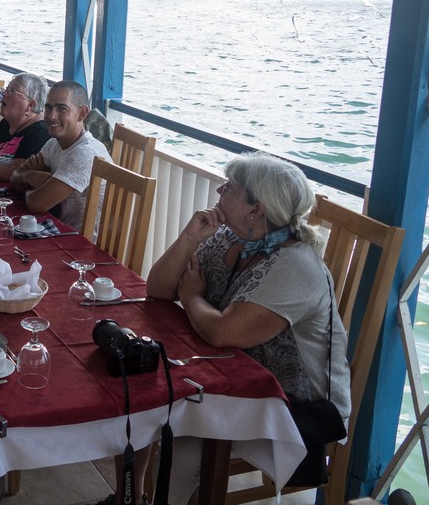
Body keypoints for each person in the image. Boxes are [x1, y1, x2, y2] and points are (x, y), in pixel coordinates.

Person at [146, 152, 351, 503]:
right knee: (149, 404)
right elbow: (159, 290)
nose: (219, 190)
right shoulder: (231, 236)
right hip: (232, 377)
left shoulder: (295, 265)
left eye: (230, 187)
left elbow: (222, 332)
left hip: (290, 406)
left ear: (256, 210)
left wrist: (193, 297)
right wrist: (189, 239)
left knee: (179, 444)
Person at [10, 80, 110, 228]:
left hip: (80, 241)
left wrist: (30, 179)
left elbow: (36, 204)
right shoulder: (54, 143)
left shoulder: (85, 154)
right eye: (48, 108)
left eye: (62, 109)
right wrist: (29, 176)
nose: (51, 116)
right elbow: (14, 179)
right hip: (57, 226)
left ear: (82, 113)